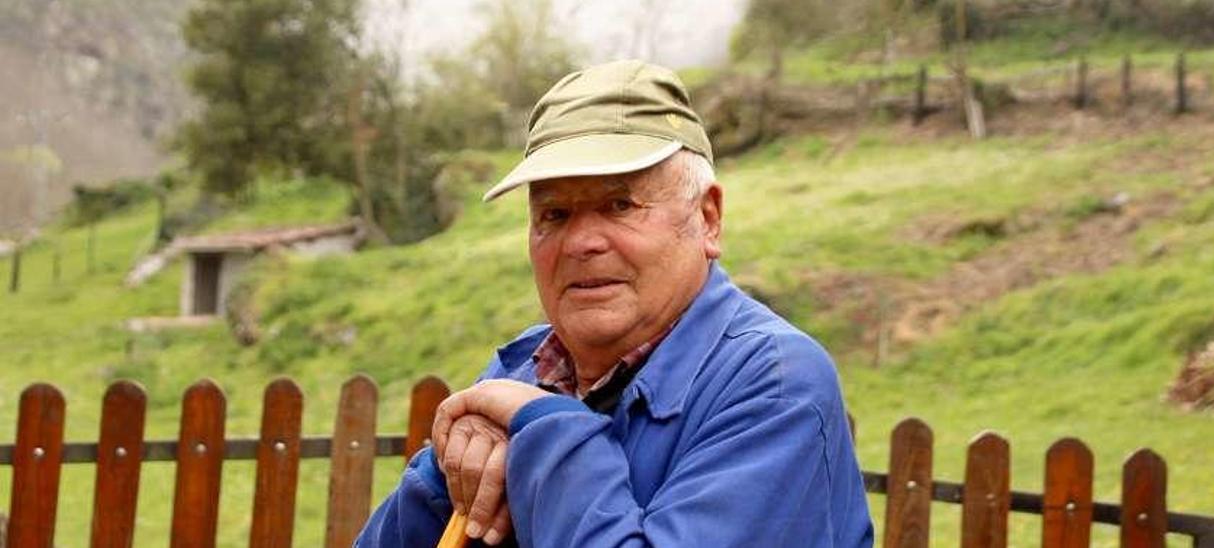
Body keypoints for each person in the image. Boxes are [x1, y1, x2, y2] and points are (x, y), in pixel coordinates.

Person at [357, 60, 874, 547]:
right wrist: (445, 472)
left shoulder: (774, 384)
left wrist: (543, 427)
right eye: (555, 214)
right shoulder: (522, 369)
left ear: (708, 219)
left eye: (619, 205)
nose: (581, 242)